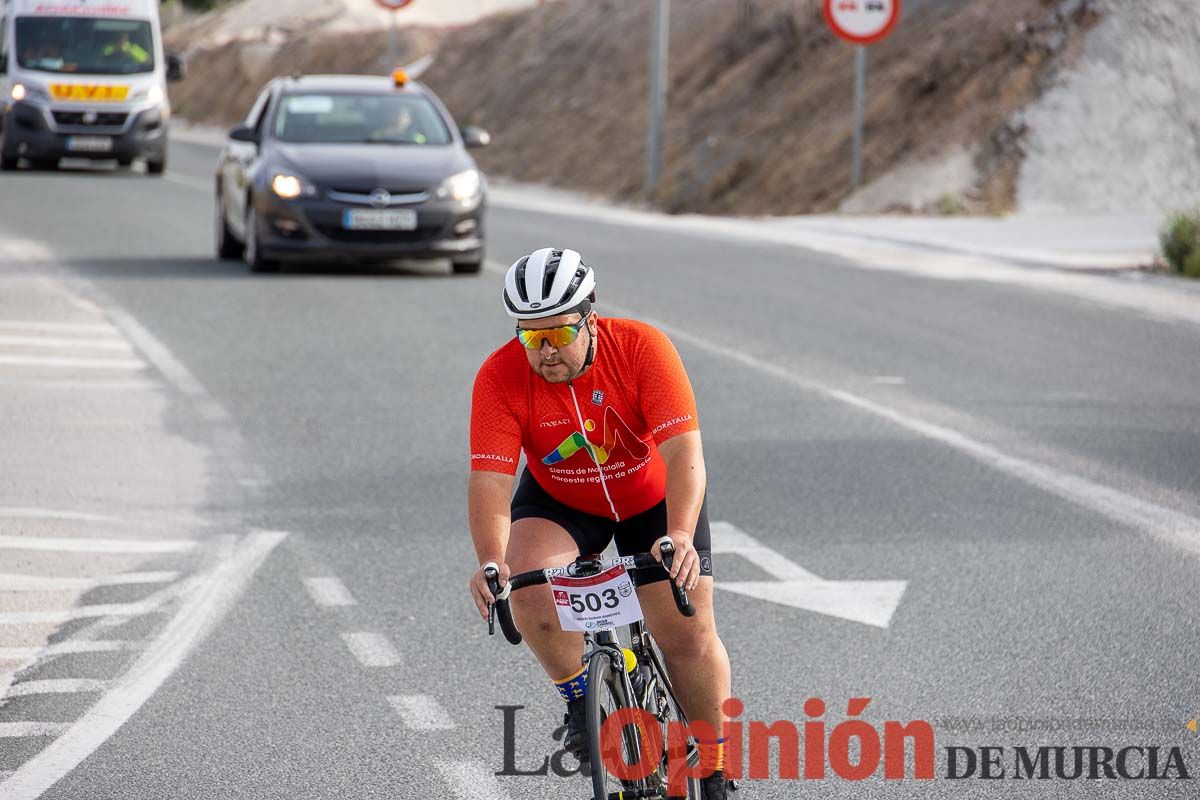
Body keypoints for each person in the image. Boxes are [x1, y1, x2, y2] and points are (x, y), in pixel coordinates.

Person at [468, 248, 736, 798]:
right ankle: (578, 700)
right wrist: (491, 562)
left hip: (651, 496)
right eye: (530, 337)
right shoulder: (499, 376)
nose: (545, 353)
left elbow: (685, 452)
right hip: (563, 500)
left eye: (560, 335)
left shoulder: (642, 349)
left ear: (590, 318)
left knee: (687, 632)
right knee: (527, 586)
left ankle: (713, 765)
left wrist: (680, 536)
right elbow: (490, 481)